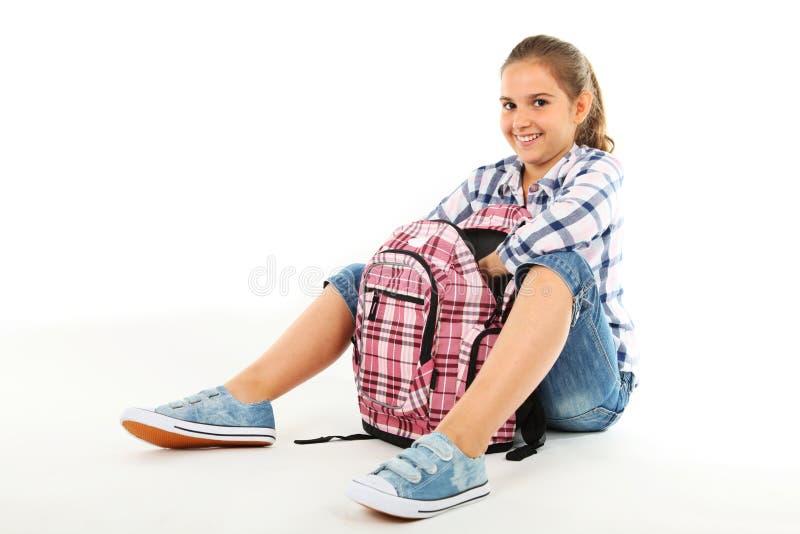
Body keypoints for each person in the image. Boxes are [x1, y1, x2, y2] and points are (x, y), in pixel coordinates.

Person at [120, 34, 639, 519]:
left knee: (555, 269)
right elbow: (425, 246)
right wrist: (403, 276)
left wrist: (488, 260)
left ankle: (461, 448)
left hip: (581, 392)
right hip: (498, 379)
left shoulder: (596, 170)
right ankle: (244, 401)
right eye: (509, 104)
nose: (521, 119)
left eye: (539, 102)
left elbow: (561, 229)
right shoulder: (488, 180)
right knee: (363, 274)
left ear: (579, 107)